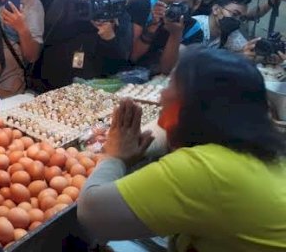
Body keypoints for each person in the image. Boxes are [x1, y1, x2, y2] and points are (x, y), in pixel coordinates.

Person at [78, 47, 286, 251]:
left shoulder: (206, 169)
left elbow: (92, 214)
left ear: (192, 103)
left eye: (170, 85)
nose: (161, 96)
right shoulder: (262, 151)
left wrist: (114, 157)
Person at [41, 0, 132, 89]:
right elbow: (48, 35)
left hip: (94, 89)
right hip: (54, 83)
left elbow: (118, 66)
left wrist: (109, 38)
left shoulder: (121, 13)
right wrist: (81, 10)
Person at [129, 0, 204, 74]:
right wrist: (152, 27)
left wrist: (175, 34)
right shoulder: (145, 8)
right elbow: (132, 57)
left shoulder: (193, 29)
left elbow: (167, 70)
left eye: (181, 6)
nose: (174, 9)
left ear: (196, 4)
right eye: (169, 4)